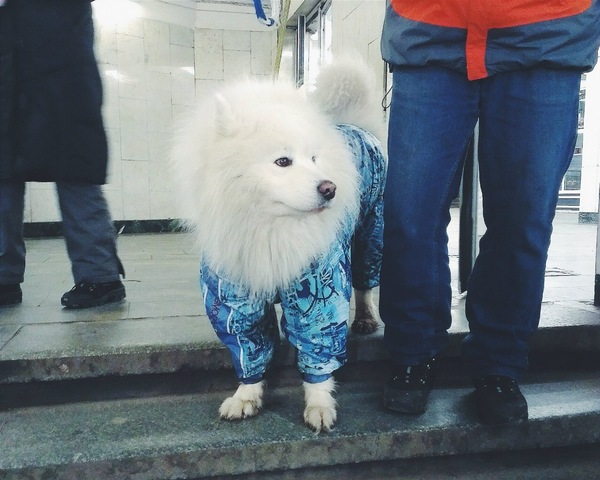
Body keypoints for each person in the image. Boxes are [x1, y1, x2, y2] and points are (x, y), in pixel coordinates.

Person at [379, 0, 600, 424]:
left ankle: (499, 362)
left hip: (547, 29)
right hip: (430, 25)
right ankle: (412, 352)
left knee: (523, 221)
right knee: (410, 214)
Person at [0, 0, 125, 309]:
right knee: (6, 168)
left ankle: (100, 276)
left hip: (57, 54)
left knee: (75, 167)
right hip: (19, 52)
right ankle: (4, 278)